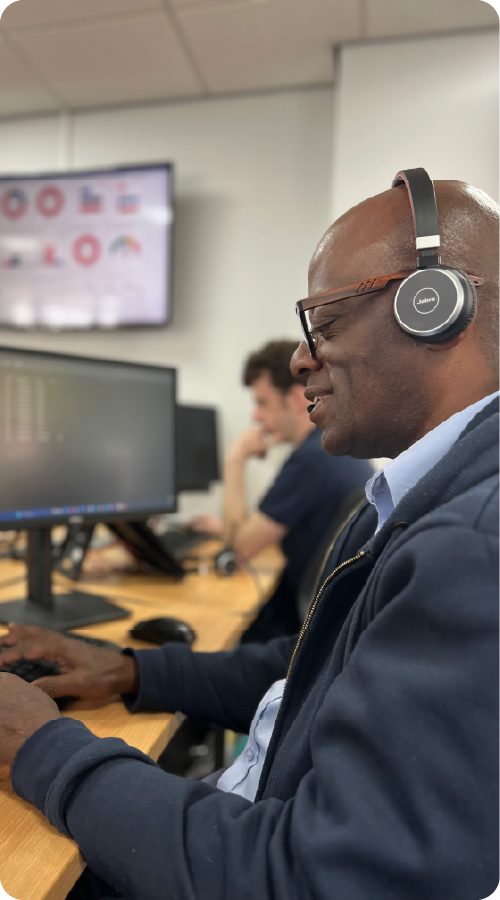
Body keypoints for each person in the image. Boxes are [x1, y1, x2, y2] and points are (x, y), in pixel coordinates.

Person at [2, 171, 500, 900]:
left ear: (434, 308)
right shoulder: (413, 495)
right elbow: (312, 668)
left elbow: (316, 880)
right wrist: (133, 670)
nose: (302, 359)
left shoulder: (471, 544)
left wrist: (40, 750)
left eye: (324, 326)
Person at [192, 339, 371, 641]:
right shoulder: (331, 449)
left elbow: (237, 550)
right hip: (327, 625)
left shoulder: (311, 460)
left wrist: (236, 460)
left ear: (294, 399)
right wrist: (225, 528)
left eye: (262, 403)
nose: (256, 417)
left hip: (295, 634)